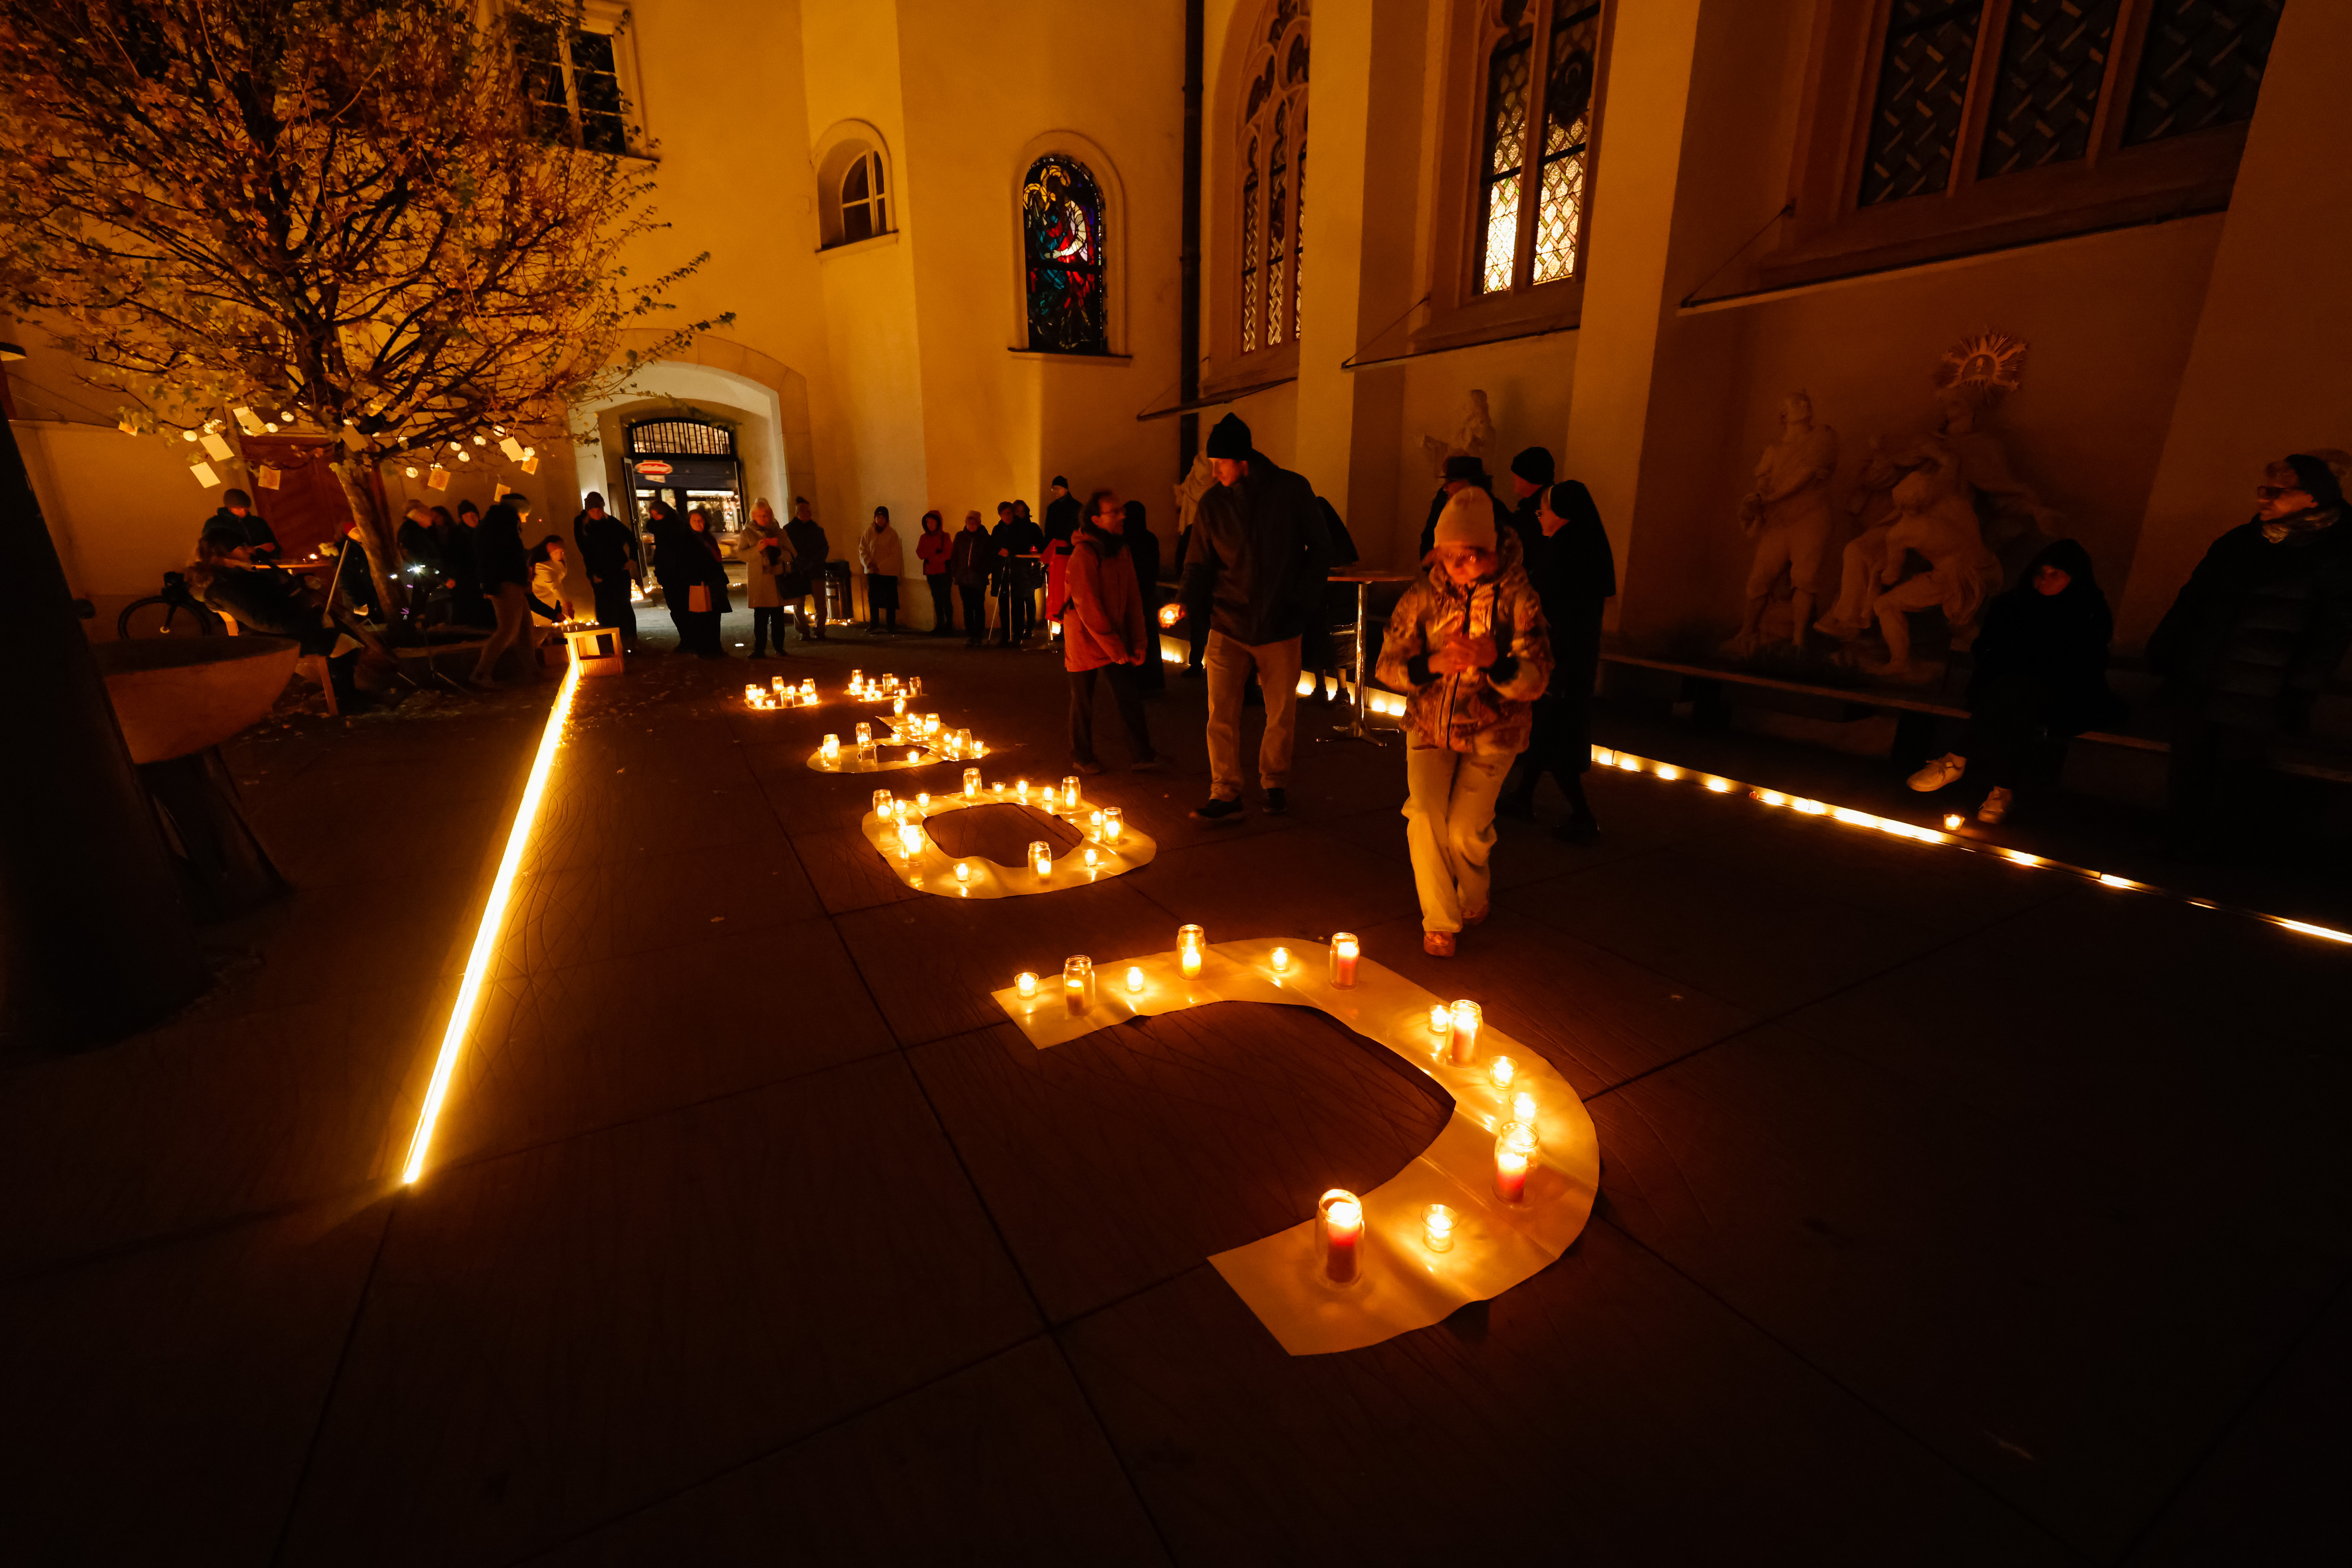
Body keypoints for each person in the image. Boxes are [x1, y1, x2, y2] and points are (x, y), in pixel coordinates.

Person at [2146, 454, 2352, 856]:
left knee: (2234, 769)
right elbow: (2194, 597)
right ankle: (2179, 841)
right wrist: (2167, 646)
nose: (2265, 498)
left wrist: (2299, 688)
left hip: (2263, 685)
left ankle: (2216, 851)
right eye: (2264, 488)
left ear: (2313, 498)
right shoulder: (2241, 541)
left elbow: (2333, 631)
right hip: (2206, 671)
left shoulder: (2338, 554)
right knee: (2189, 760)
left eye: (2279, 491)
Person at [1377, 488, 1553, 956]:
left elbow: (1537, 678)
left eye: (1468, 556)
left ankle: (1474, 894)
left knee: (1464, 831)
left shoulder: (1519, 598)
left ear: (1490, 553)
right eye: (1448, 555)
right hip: (1429, 725)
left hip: (1495, 732)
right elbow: (1387, 665)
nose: (1455, 565)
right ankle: (1439, 919)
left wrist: (1496, 663)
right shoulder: (1421, 597)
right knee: (1425, 816)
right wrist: (1430, 666)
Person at [1905, 539, 2122, 824]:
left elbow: (2084, 662)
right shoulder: (2013, 604)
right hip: (2006, 688)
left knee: (2015, 696)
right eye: (2041, 573)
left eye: (2055, 574)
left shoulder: (2088, 610)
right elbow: (1987, 648)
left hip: (2064, 694)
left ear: (2074, 578)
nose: (2045, 580)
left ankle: (1956, 759)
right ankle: (2001, 793)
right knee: (2014, 701)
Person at [1182, 412, 1334, 820]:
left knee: (1280, 711)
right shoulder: (1213, 503)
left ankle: (1275, 783)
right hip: (1227, 623)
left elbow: (1320, 548)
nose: (1214, 472)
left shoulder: (1291, 490)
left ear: (1242, 459)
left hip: (1281, 623)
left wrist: (1300, 603)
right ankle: (1225, 790)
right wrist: (1185, 602)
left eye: (1220, 463)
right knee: (1221, 714)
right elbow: (1199, 562)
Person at [1497, 480, 1617, 839]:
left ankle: (1584, 817)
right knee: (1545, 735)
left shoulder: (1569, 552)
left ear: (1562, 514)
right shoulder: (1580, 546)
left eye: (1544, 510)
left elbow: (1551, 608)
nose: (1540, 516)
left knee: (1555, 738)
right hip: (1567, 661)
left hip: (1561, 664)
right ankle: (1523, 796)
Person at [1065, 489, 1161, 773]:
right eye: (1115, 512)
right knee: (1083, 698)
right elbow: (1087, 606)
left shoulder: (1121, 550)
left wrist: (1139, 641)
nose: (1123, 515)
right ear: (1096, 519)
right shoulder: (1084, 553)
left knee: (1128, 694)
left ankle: (1142, 754)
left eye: (1122, 511)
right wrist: (1116, 648)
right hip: (1084, 637)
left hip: (1113, 637)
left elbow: (1133, 598)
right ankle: (1082, 755)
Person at [470, 493, 537, 686]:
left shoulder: (498, 524)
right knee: (508, 630)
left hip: (510, 581)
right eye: (525, 513)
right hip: (505, 583)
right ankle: (481, 674)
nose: (526, 518)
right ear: (519, 510)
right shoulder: (501, 527)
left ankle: (532, 672)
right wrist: (493, 584)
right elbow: (496, 558)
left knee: (525, 627)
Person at [656, 505, 733, 658]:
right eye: (695, 521)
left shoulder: (708, 538)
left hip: (714, 583)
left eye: (701, 520)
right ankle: (704, 649)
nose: (699, 523)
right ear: (689, 522)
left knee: (714, 616)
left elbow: (716, 560)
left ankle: (716, 647)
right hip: (698, 583)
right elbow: (686, 563)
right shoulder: (685, 539)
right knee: (701, 618)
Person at [573, 490, 641, 652]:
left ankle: (629, 643)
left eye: (599, 510)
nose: (597, 513)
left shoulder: (611, 522)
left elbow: (631, 538)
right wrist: (592, 572)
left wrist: (632, 559)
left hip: (619, 568)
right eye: (593, 511)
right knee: (605, 607)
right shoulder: (582, 524)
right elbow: (585, 550)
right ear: (588, 511)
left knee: (624, 605)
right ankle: (609, 644)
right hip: (600, 571)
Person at [1121, 499, 1165, 691]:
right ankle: (1154, 682)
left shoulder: (1124, 540)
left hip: (1132, 595)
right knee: (1150, 637)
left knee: (1133, 636)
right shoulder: (1151, 539)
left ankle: (1137, 682)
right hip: (1148, 594)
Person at [740, 499, 792, 658]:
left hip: (777, 582)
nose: (764, 518)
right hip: (760, 583)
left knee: (778, 618)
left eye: (766, 515)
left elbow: (792, 554)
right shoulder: (747, 533)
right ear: (754, 516)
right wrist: (758, 549)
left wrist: (780, 553)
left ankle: (779, 647)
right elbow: (741, 555)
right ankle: (759, 649)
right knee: (760, 618)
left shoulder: (780, 533)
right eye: (760, 515)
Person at [1417, 455, 1496, 556]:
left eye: (1450, 482)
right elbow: (1429, 537)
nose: (1445, 488)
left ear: (1468, 483)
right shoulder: (1442, 500)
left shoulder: (1493, 512)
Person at [991, 499, 1046, 647]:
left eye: (1009, 513)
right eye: (1003, 514)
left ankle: (1017, 635)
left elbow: (1026, 546)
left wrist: (1011, 551)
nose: (1007, 516)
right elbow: (993, 546)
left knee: (1018, 604)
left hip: (1019, 570)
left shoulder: (1022, 528)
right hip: (1003, 570)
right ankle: (1004, 636)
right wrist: (999, 552)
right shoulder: (998, 529)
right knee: (1004, 603)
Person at [397, 502, 453, 626]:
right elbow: (422, 562)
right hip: (427, 587)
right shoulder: (412, 535)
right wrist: (442, 578)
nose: (432, 521)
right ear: (421, 516)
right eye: (429, 517)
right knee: (436, 621)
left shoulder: (417, 533)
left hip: (430, 584)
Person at [783, 496, 829, 640]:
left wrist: (802, 563)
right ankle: (818, 630)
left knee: (801, 604)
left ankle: (806, 631)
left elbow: (791, 551)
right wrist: (812, 563)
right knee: (816, 603)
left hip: (801, 570)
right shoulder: (816, 530)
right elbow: (823, 550)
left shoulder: (789, 530)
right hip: (811, 570)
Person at [950, 509, 995, 646]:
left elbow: (990, 559)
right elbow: (954, 556)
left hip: (978, 578)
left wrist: (983, 572)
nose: (971, 524)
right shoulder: (960, 536)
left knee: (979, 607)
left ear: (979, 523)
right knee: (968, 607)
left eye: (974, 521)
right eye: (969, 522)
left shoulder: (986, 538)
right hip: (963, 578)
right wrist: (956, 573)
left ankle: (979, 635)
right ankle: (970, 635)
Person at [859, 505, 905, 634]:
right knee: (873, 598)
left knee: (890, 598)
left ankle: (891, 625)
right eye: (878, 517)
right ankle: (874, 623)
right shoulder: (869, 532)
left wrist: (880, 566)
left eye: (883, 517)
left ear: (887, 520)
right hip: (872, 572)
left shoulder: (892, 534)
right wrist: (869, 563)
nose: (880, 520)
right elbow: (863, 549)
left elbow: (895, 555)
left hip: (888, 573)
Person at [200, 488, 279, 561]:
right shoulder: (215, 524)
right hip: (234, 571)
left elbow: (275, 547)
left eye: (246, 509)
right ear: (229, 508)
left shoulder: (258, 523)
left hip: (265, 569)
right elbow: (211, 551)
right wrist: (248, 551)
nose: (243, 512)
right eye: (239, 509)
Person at [447, 499, 492, 628]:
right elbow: (455, 558)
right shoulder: (457, 534)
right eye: (467, 516)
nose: (472, 519)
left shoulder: (485, 530)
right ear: (462, 518)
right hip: (468, 578)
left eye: (474, 515)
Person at [1504, 447, 1552, 552]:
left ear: (1529, 476)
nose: (1513, 477)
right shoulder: (1533, 507)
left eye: (1517, 472)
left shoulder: (1542, 511)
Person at [915, 509, 954, 633]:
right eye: (928, 522)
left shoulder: (945, 536)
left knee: (946, 599)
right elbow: (920, 553)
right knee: (937, 600)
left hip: (944, 573)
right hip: (931, 573)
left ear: (938, 523)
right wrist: (935, 552)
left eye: (932, 522)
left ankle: (949, 626)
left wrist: (931, 558)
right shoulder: (923, 537)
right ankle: (940, 625)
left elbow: (947, 554)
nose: (929, 525)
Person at [1042, 476, 1082, 545]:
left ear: (1066, 489)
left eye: (1058, 488)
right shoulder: (1051, 508)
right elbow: (1048, 531)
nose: (1056, 491)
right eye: (1054, 489)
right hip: (1056, 546)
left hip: (1070, 546)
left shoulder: (1077, 507)